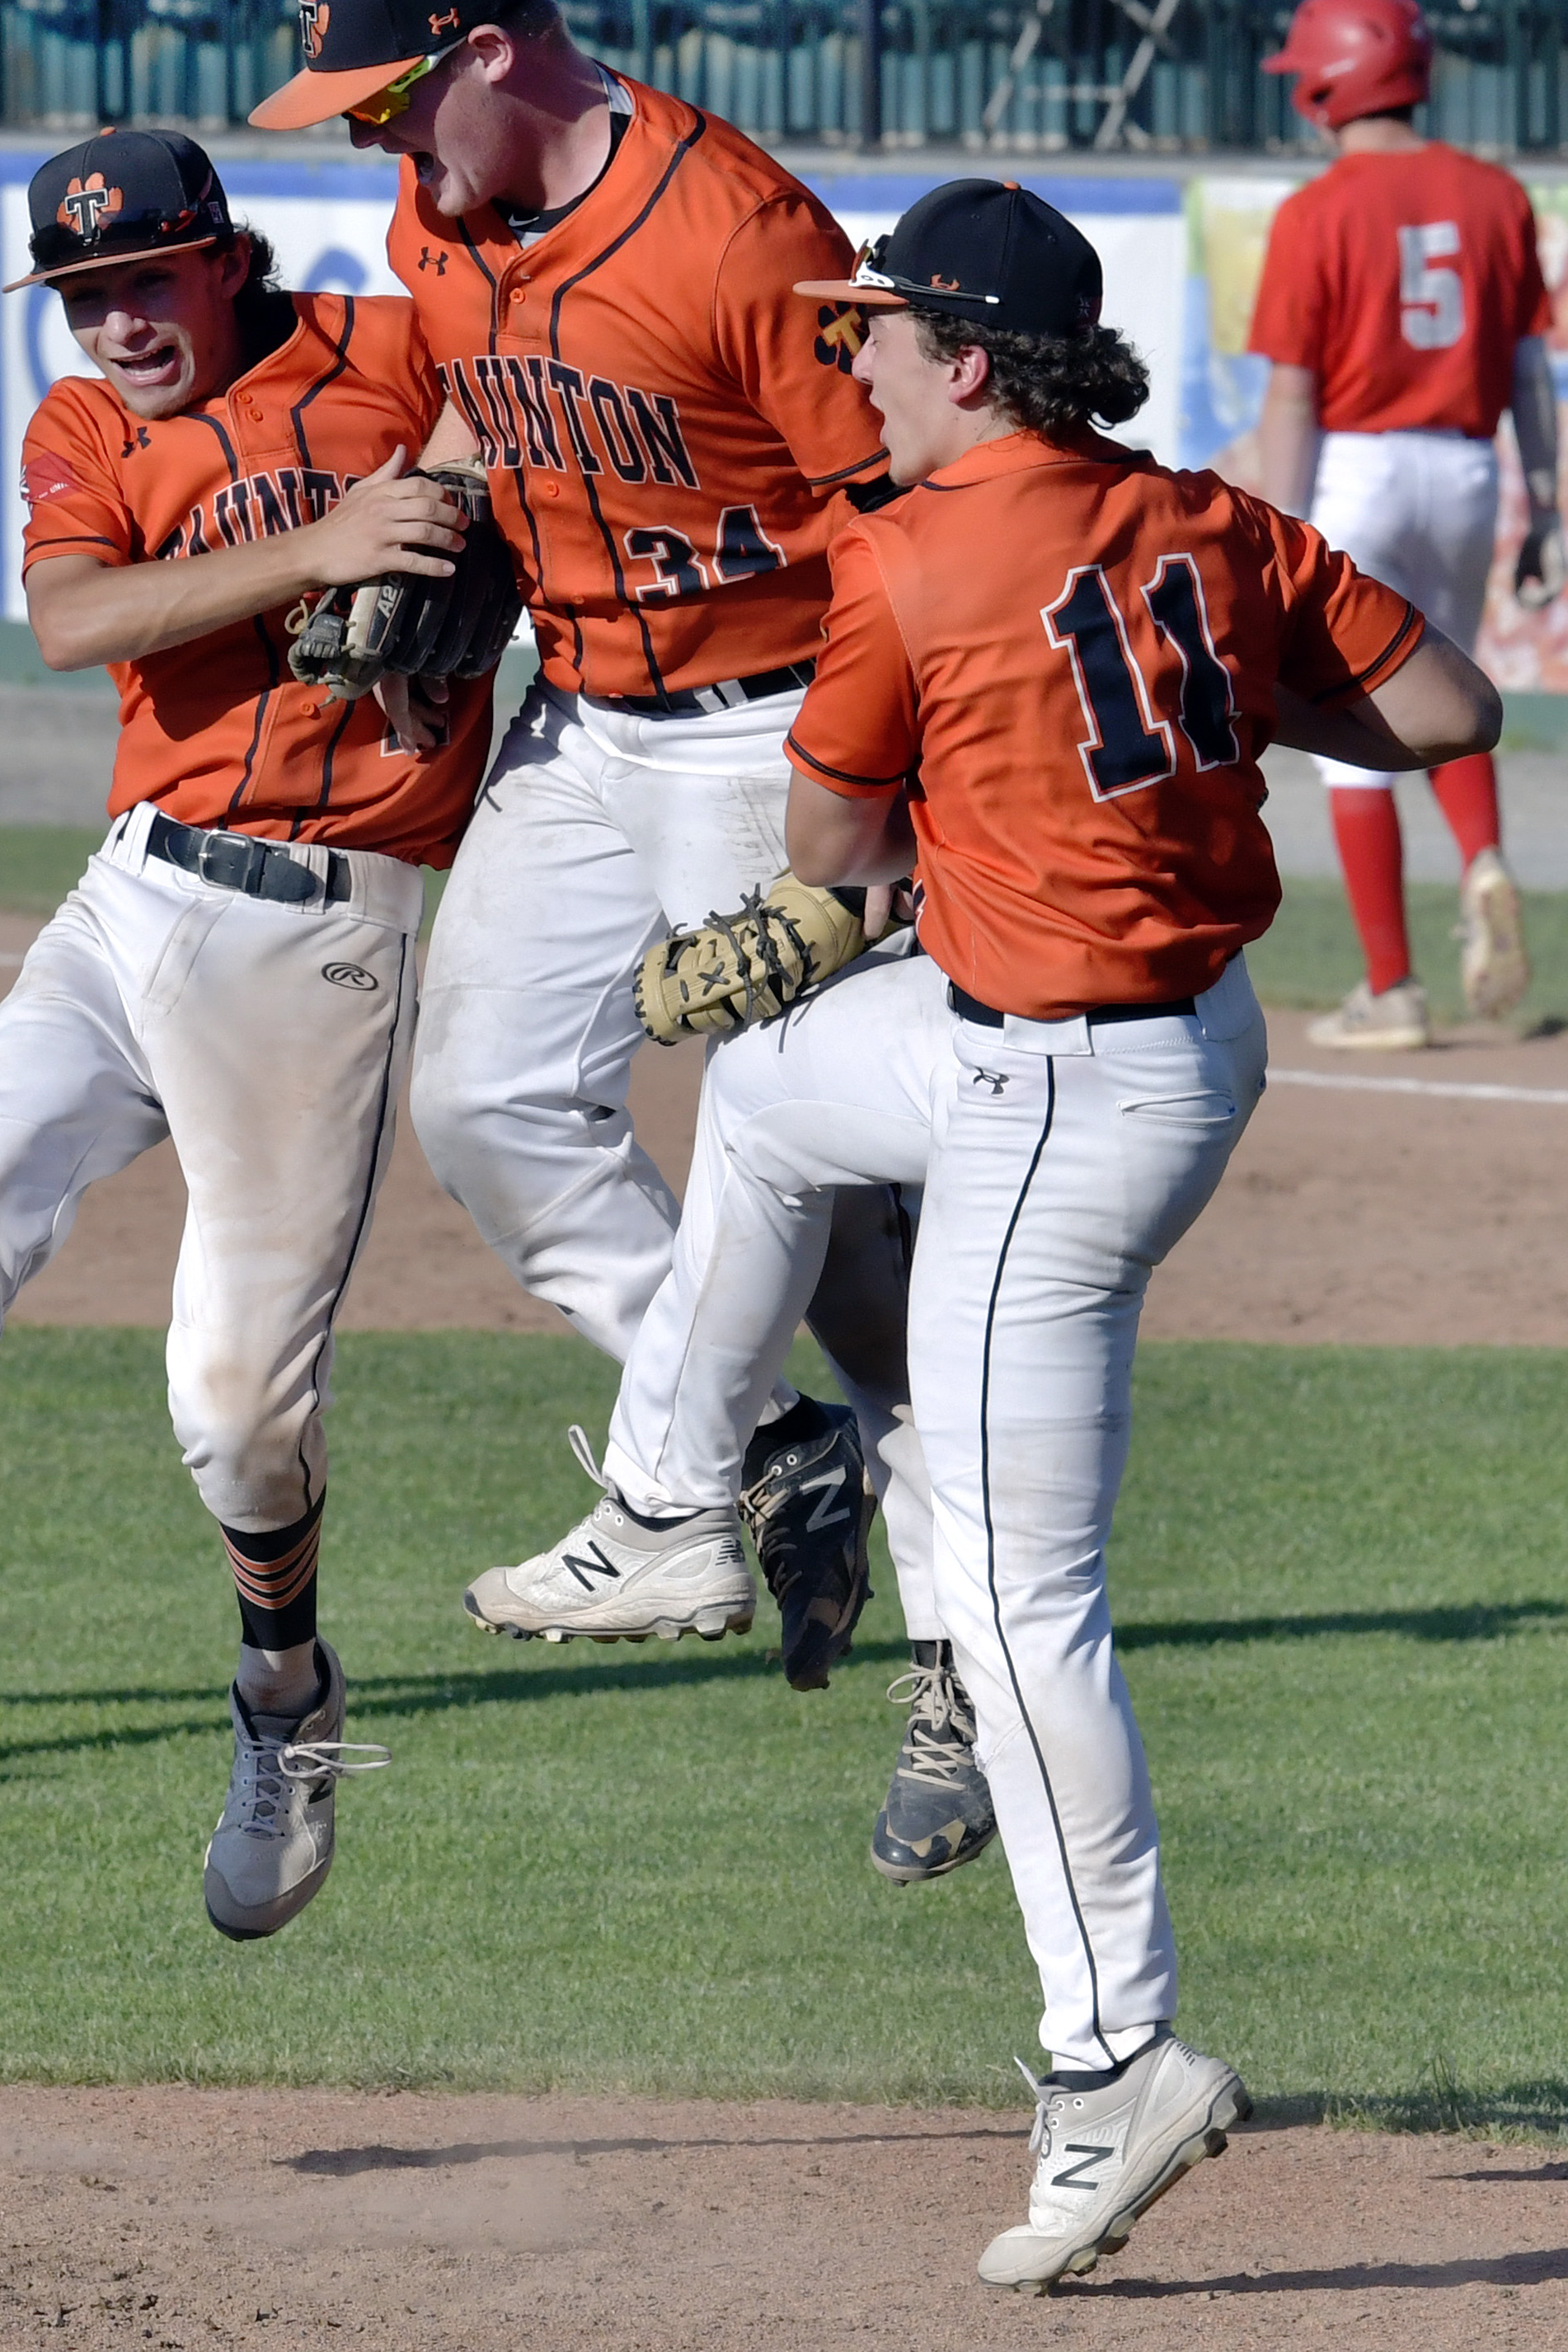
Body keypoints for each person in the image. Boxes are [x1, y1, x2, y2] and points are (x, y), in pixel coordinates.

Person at [613, 181, 1499, 2285]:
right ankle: (659, 1498)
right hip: (1182, 1040)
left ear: (970, 359)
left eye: (880, 335)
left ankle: (1115, 2062)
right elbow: (1451, 715)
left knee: (1020, 1613)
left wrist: (1018, 776)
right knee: (761, 1094)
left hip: (1056, 1098)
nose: (854, 361)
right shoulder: (1208, 517)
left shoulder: (906, 556)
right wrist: (1220, 701)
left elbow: (826, 852)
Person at [0, 132, 492, 1942]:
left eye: (143, 279)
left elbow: (519, 401)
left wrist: (446, 492)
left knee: (232, 1421)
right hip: (132, 890)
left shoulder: (391, 349)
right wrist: (327, 537)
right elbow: (75, 617)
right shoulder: (83, 433)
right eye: (77, 295)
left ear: (226, 259)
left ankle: (282, 1692)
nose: (112, 323)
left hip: (324, 928)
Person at [249, 0, 914, 1699]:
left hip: (761, 730)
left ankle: (708, 1505)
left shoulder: (738, 235)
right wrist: (438, 517)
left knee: (804, 1171)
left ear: (490, 53)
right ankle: (768, 1447)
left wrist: (861, 810)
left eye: (387, 99)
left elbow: (895, 524)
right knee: (480, 1100)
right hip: (577, 712)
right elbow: (484, 394)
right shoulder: (441, 199)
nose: (376, 143)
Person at [1246, 0, 1563, 1053]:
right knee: (1451, 682)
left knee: (1355, 735)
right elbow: (1530, 371)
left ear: (1337, 77)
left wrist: (1276, 528)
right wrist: (1549, 503)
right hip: (1468, 469)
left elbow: (1294, 397)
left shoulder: (1316, 211)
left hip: (1361, 472)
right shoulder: (1494, 195)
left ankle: (1392, 985)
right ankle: (1482, 856)